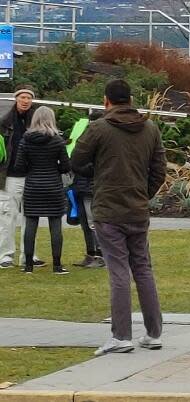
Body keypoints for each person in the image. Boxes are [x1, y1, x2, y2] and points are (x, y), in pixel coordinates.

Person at [72, 79, 167, 356]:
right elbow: (159, 169)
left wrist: (99, 175)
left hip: (109, 209)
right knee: (143, 269)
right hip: (137, 208)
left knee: (118, 272)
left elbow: (76, 160)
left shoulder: (99, 128)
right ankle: (153, 332)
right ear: (130, 99)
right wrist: (143, 192)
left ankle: (121, 335)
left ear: (106, 101)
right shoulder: (150, 128)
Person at [13, 107, 71, 274]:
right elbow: (66, 166)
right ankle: (57, 266)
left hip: (33, 186)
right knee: (55, 225)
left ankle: (28, 265)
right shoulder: (58, 140)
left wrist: (33, 168)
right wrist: (54, 168)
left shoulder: (26, 140)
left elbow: (19, 166)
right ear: (51, 119)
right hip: (53, 186)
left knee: (31, 224)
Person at [0, 85, 46, 269]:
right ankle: (5, 255)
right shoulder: (4, 121)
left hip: (32, 175)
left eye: (29, 98)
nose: (26, 101)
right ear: (16, 99)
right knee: (7, 216)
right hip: (10, 175)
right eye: (22, 97)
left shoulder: (37, 122)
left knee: (31, 216)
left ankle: (28, 255)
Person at [70, 111, 105, 268]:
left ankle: (99, 255)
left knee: (92, 223)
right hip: (81, 186)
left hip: (91, 187)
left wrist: (77, 167)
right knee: (85, 223)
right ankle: (91, 253)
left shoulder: (100, 141)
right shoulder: (85, 138)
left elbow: (94, 166)